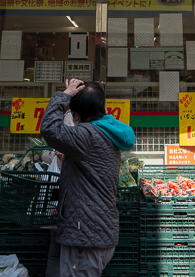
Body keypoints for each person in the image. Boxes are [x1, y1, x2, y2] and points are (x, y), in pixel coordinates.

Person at [41, 79, 136, 277]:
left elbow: (50, 129)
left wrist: (64, 95)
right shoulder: (107, 131)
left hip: (85, 233)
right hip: (95, 228)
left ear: (76, 112)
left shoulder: (86, 134)